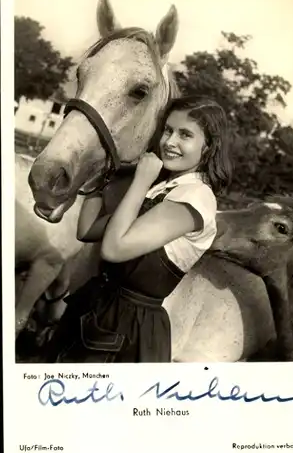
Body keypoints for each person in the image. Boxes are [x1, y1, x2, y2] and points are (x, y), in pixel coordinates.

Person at [45, 95, 232, 363]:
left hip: (128, 331)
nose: (169, 142)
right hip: (96, 310)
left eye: (185, 135)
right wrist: (102, 176)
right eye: (167, 130)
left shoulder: (196, 197)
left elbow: (113, 248)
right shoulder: (164, 188)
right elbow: (86, 231)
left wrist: (141, 180)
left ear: (208, 147)